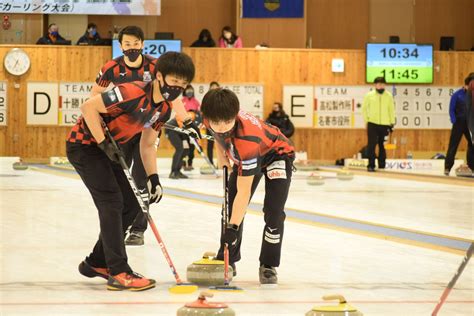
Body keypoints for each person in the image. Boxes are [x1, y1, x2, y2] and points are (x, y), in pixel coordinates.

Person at [66, 51, 198, 291]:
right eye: (173, 81)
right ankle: (119, 271)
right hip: (85, 145)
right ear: (159, 76)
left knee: (134, 201)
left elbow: (147, 144)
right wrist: (103, 142)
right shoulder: (132, 91)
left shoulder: (164, 109)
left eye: (182, 84)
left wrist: (153, 177)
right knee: (112, 201)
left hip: (111, 149)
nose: (177, 88)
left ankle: (97, 262)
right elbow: (89, 108)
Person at [200, 88, 295, 285]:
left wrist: (232, 228)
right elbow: (215, 134)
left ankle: (268, 264)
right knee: (229, 208)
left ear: (235, 116)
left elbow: (244, 193)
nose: (222, 127)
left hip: (276, 155)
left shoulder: (247, 140)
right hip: (247, 157)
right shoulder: (210, 117)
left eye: (227, 122)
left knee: (273, 212)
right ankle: (228, 258)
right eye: (216, 123)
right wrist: (221, 156)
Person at [90, 25, 157, 247]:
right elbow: (95, 95)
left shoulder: (154, 66)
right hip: (122, 131)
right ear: (121, 46)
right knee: (119, 179)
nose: (132, 48)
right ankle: (118, 227)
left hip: (146, 130)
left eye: (136, 44)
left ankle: (138, 229)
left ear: (142, 44)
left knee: (140, 180)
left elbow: (164, 93)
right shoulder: (111, 67)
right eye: (127, 44)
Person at [362, 77, 395, 172]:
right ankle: (371, 165)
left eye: (382, 84)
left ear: (385, 85)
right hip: (372, 123)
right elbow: (364, 109)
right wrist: (367, 120)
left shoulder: (389, 96)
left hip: (385, 124)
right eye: (379, 84)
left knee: (382, 145)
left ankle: (382, 165)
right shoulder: (369, 95)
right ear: (375, 85)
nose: (381, 85)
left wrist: (392, 123)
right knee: (371, 145)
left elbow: (391, 110)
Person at [445, 73, 474, 175]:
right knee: (453, 145)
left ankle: (472, 166)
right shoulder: (457, 95)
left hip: (470, 124)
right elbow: (451, 109)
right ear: (466, 85)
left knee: (472, 144)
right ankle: (447, 168)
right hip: (458, 123)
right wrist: (454, 120)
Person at [166, 110, 202, 178]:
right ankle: (173, 172)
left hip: (181, 132)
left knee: (186, 150)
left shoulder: (195, 121)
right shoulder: (187, 115)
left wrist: (199, 146)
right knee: (179, 148)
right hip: (172, 130)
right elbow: (181, 125)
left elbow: (196, 135)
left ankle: (178, 171)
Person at [181, 85, 201, 171]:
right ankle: (183, 164)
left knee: (192, 147)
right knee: (185, 147)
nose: (189, 91)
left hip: (192, 126)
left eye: (191, 90)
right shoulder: (182, 101)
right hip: (183, 127)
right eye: (188, 90)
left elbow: (199, 114)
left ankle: (190, 163)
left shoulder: (196, 102)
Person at [205, 81, 220, 165]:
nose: (214, 89)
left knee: (221, 145)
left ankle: (221, 163)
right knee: (210, 144)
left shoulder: (222, 98)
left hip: (220, 125)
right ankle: (210, 163)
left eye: (215, 87)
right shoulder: (207, 99)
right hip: (210, 125)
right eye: (212, 87)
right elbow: (203, 112)